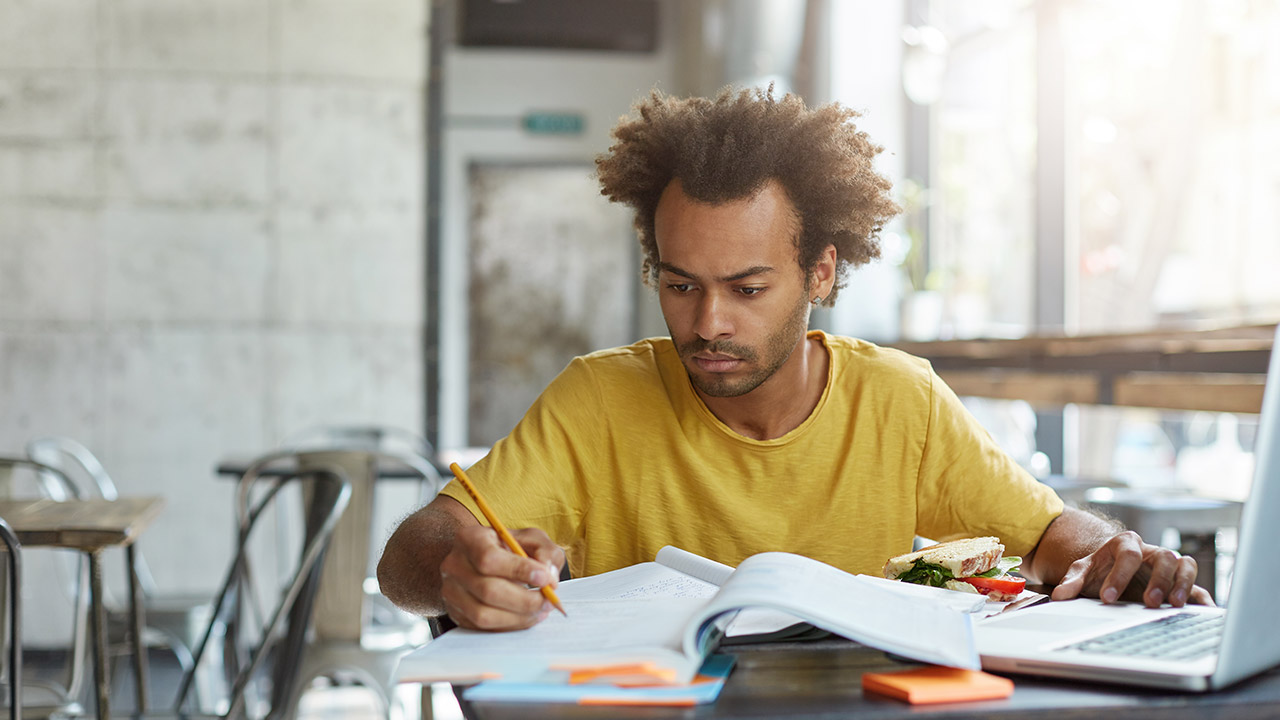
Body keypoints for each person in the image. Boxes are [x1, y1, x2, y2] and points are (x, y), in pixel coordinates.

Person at [378, 87, 1211, 632]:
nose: (708, 323)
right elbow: (412, 550)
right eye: (679, 284)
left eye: (747, 288)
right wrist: (456, 567)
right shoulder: (600, 397)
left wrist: (1116, 555)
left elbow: (1049, 535)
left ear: (820, 273)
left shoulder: (900, 402)